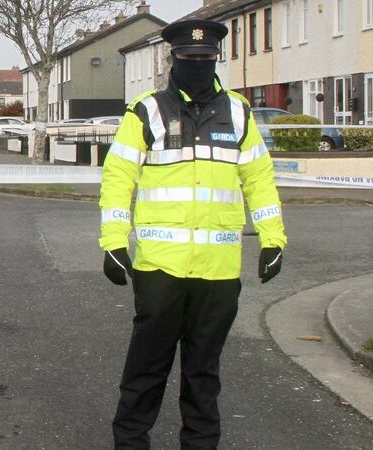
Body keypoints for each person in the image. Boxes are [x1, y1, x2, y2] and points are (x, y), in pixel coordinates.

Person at [99, 19, 287, 450]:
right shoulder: (146, 110)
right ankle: (130, 443)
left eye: (206, 59)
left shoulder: (239, 112)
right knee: (147, 369)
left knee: (204, 373)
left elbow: (259, 177)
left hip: (219, 269)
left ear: (215, 60)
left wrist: (273, 237)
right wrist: (112, 241)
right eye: (190, 59)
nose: (198, 66)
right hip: (160, 266)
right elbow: (118, 178)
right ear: (174, 59)